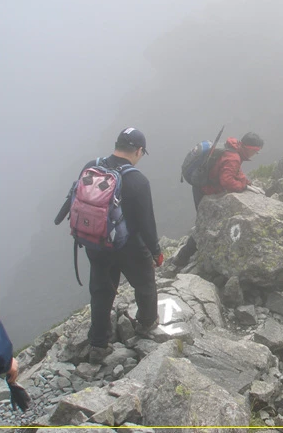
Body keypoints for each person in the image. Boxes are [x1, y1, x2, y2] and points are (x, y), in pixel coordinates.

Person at [81, 128, 164, 364]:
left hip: (95, 241)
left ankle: (98, 344)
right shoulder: (137, 180)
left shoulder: (92, 166)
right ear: (139, 150)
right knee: (145, 283)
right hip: (127, 246)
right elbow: (146, 223)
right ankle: (146, 324)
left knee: (101, 291)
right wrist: (156, 252)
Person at [173, 132, 265, 266]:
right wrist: (243, 186)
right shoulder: (234, 157)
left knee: (205, 223)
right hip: (205, 191)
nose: (255, 154)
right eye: (256, 151)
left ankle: (191, 253)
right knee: (204, 225)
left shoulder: (233, 148)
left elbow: (234, 171)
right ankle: (182, 258)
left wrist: (247, 183)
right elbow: (227, 181)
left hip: (201, 187)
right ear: (250, 148)